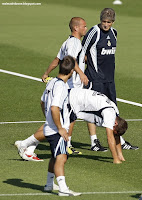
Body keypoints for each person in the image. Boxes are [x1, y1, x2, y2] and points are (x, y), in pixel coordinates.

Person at [17, 56, 81, 196]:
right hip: (56, 129)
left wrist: (47, 118)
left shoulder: (51, 82)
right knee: (61, 157)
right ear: (71, 72)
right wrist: (60, 128)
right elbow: (54, 108)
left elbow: (42, 102)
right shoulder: (61, 87)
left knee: (54, 156)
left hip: (50, 126)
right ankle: (63, 189)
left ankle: (48, 184)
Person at [42, 17, 107, 154]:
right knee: (71, 115)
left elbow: (57, 59)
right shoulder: (75, 43)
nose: (85, 28)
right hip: (73, 86)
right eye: (84, 26)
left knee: (72, 114)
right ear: (76, 28)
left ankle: (73, 143)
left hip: (70, 85)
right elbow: (71, 60)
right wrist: (82, 74)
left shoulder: (68, 42)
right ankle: (67, 144)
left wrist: (46, 73)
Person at [15, 87, 128, 164]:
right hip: (71, 102)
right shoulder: (110, 114)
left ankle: (28, 149)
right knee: (56, 130)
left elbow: (115, 135)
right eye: (114, 130)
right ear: (115, 123)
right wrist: (115, 159)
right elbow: (110, 137)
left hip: (74, 99)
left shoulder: (114, 112)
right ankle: (24, 144)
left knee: (51, 125)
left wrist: (120, 155)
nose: (113, 134)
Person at [80, 8, 138, 150]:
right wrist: (82, 74)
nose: (106, 24)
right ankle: (94, 142)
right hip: (94, 79)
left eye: (109, 22)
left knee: (113, 110)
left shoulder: (114, 33)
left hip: (109, 80)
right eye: (104, 21)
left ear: (113, 22)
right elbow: (81, 52)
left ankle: (121, 141)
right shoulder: (94, 32)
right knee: (93, 110)